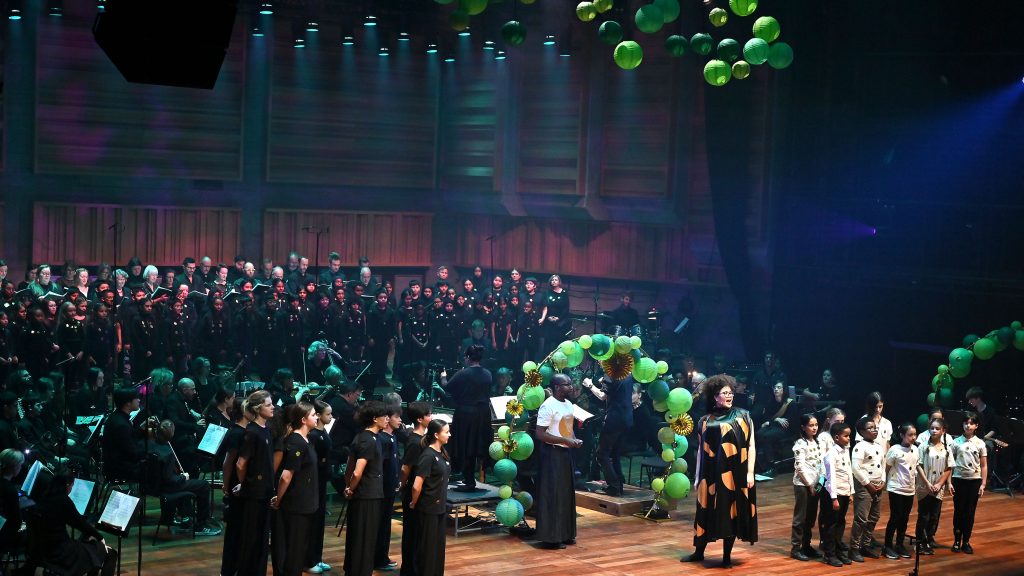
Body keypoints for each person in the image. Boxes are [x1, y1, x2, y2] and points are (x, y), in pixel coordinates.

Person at [681, 374, 757, 568]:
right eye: (725, 393)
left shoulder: (743, 415)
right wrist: (697, 476)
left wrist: (750, 473)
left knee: (729, 511)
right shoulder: (705, 420)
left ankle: (726, 557)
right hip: (710, 474)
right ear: (715, 396)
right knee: (704, 511)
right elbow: (700, 450)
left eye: (731, 392)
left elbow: (751, 446)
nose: (729, 395)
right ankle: (699, 552)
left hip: (734, 473)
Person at [23, 472, 118, 576]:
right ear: (67, 485)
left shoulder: (44, 497)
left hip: (43, 550)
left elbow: (76, 522)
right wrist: (100, 537)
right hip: (61, 553)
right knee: (110, 553)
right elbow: (79, 523)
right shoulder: (63, 500)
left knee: (89, 549)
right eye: (72, 486)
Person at [535, 373, 583, 549]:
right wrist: (565, 441)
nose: (570, 387)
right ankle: (551, 537)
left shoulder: (569, 405)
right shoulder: (547, 406)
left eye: (570, 384)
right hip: (551, 453)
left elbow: (567, 430)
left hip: (565, 453)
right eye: (567, 384)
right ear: (556, 387)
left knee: (565, 493)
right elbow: (540, 434)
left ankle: (566, 533)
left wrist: (574, 439)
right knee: (553, 494)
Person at [271, 402, 320, 576]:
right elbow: (286, 475)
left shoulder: (306, 440)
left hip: (305, 501)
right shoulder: (296, 442)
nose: (317, 417)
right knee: (294, 546)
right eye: (314, 414)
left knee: (300, 546)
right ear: (303, 420)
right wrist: (278, 498)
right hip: (296, 503)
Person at [343, 401, 389, 576]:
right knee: (364, 537)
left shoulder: (366, 437)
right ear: (374, 418)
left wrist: (349, 486)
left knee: (363, 536)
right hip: (366, 495)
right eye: (384, 416)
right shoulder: (368, 440)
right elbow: (356, 471)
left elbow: (349, 466)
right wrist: (351, 488)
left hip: (368, 493)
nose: (387, 419)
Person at [233, 390, 276, 575]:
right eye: (268, 405)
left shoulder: (265, 430)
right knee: (252, 537)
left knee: (261, 537)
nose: (272, 407)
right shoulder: (252, 432)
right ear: (258, 409)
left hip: (264, 489)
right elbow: (241, 463)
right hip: (255, 491)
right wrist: (245, 484)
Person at [440, 344, 493, 492]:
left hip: (467, 413)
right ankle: (472, 476)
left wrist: (443, 377)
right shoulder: (488, 373)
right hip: (483, 413)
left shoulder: (463, 373)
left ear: (468, 358)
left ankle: (467, 478)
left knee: (464, 444)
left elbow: (447, 387)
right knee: (477, 444)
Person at [410, 419, 451, 576]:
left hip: (439, 506)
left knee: (438, 547)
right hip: (428, 507)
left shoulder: (442, 453)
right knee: (427, 547)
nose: (449, 434)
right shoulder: (427, 455)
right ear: (436, 434)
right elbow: (416, 485)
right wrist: (414, 502)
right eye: (446, 432)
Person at [582, 374, 635, 496]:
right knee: (614, 453)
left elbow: (602, 396)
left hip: (614, 419)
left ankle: (614, 486)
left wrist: (589, 384)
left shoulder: (611, 374)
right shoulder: (627, 373)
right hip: (627, 418)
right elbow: (618, 391)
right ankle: (619, 484)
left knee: (602, 454)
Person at [399, 401, 432, 576]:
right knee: (412, 532)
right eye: (428, 414)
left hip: (421, 493)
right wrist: (402, 486)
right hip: (413, 492)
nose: (431, 417)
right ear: (420, 419)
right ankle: (409, 570)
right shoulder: (414, 442)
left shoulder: (422, 439)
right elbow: (406, 468)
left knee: (419, 532)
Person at [950, 411, 987, 554]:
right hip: (959, 480)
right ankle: (956, 540)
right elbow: (950, 464)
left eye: (971, 423)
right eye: (966, 423)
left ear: (976, 426)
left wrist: (983, 484)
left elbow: (984, 465)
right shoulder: (955, 443)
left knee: (970, 512)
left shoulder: (980, 443)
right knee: (958, 511)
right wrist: (950, 482)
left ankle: (966, 541)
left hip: (974, 481)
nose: (968, 425)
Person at [916, 416, 953, 556]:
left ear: (943, 431)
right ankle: (921, 541)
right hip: (925, 486)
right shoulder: (923, 446)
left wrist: (939, 484)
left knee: (934, 515)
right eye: (932, 428)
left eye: (937, 429)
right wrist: (927, 483)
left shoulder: (947, 448)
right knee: (923, 515)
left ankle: (930, 538)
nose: (934, 431)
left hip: (938, 487)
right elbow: (918, 465)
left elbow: (948, 468)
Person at [849, 416, 885, 561]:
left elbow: (882, 465)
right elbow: (856, 468)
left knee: (874, 517)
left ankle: (866, 544)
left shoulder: (878, 446)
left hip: (878, 485)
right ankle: (854, 548)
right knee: (861, 518)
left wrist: (882, 480)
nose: (874, 430)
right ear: (862, 432)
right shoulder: (859, 447)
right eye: (870, 428)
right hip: (865, 486)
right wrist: (868, 484)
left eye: (875, 427)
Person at [819, 421, 854, 567]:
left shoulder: (845, 451)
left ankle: (839, 551)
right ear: (836, 437)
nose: (849, 439)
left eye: (849, 436)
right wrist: (834, 498)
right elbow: (831, 477)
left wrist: (851, 492)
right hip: (833, 494)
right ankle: (829, 554)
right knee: (831, 524)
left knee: (841, 522)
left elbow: (848, 472)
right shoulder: (830, 454)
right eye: (846, 436)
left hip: (844, 492)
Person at [883, 423, 919, 560]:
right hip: (896, 488)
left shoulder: (915, 449)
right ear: (902, 435)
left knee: (904, 518)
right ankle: (887, 546)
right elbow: (887, 467)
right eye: (910, 435)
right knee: (895, 517)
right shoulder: (895, 450)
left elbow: (915, 467)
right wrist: (884, 483)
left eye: (915, 434)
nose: (913, 437)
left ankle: (899, 544)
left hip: (909, 489)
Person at [790, 414, 823, 561]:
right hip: (803, 485)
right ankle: (796, 548)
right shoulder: (800, 444)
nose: (814, 427)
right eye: (811, 425)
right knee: (800, 518)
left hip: (815, 485)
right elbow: (800, 467)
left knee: (810, 517)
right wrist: (809, 484)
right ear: (803, 427)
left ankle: (806, 545)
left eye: (816, 424)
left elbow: (820, 464)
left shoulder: (816, 442)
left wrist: (819, 483)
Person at [374, 404, 402, 571]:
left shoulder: (393, 437)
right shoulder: (382, 439)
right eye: (396, 417)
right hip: (382, 489)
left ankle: (382, 557)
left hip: (390, 487)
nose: (399, 420)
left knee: (385, 524)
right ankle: (379, 558)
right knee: (381, 525)